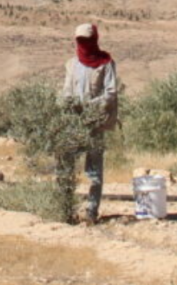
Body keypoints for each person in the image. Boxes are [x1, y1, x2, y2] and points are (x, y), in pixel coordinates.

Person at [61, 23, 119, 223]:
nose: (84, 44)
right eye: (80, 40)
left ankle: (91, 211)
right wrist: (69, 105)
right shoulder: (71, 64)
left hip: (95, 123)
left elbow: (110, 93)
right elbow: (67, 90)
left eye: (87, 40)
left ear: (94, 39)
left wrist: (90, 107)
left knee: (94, 170)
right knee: (66, 165)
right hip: (73, 123)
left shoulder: (106, 63)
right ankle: (65, 208)